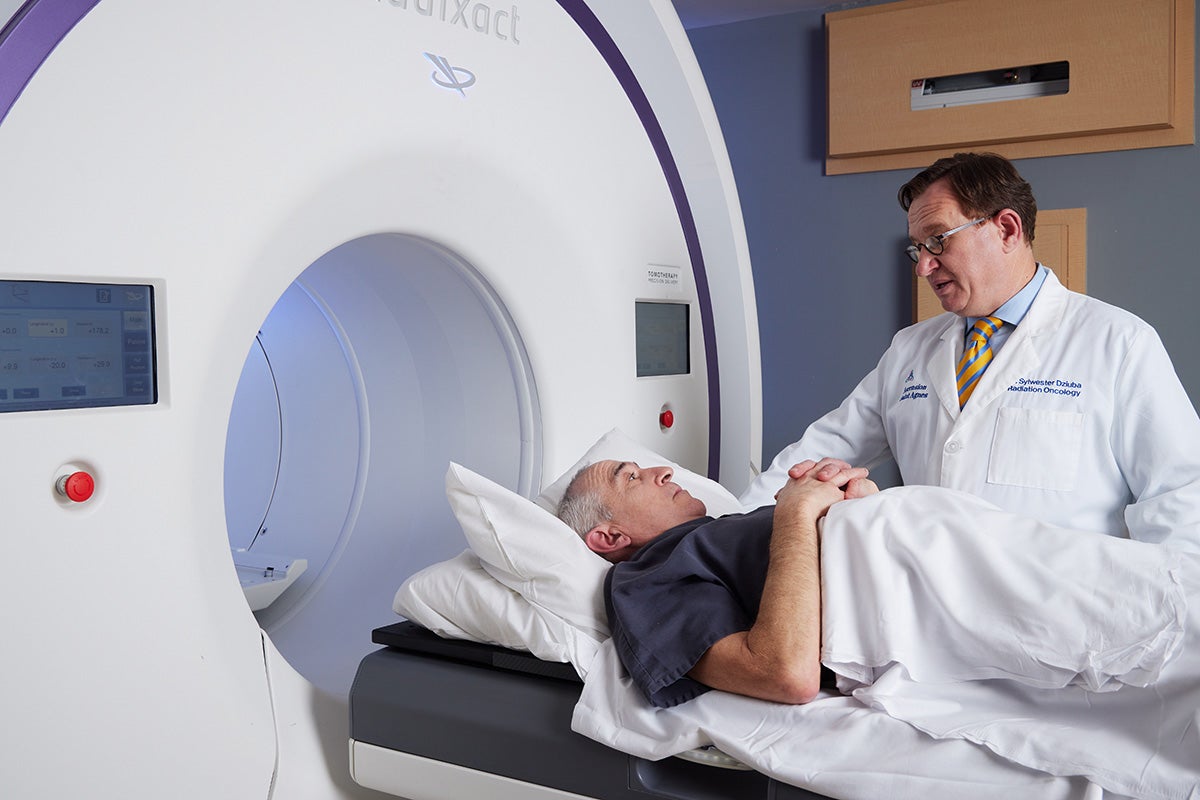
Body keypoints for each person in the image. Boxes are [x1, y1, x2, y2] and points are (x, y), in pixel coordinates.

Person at [739, 152, 1200, 553]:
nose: (923, 266)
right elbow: (824, 451)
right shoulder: (911, 349)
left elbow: (1181, 503)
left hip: (1059, 631)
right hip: (928, 617)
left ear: (1006, 228)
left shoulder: (1117, 343)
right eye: (917, 249)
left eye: (938, 240)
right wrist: (724, 527)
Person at [557, 457, 875, 708]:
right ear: (610, 537)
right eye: (631, 478)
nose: (664, 471)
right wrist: (797, 510)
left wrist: (851, 499)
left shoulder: (716, 532)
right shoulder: (644, 580)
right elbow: (785, 674)